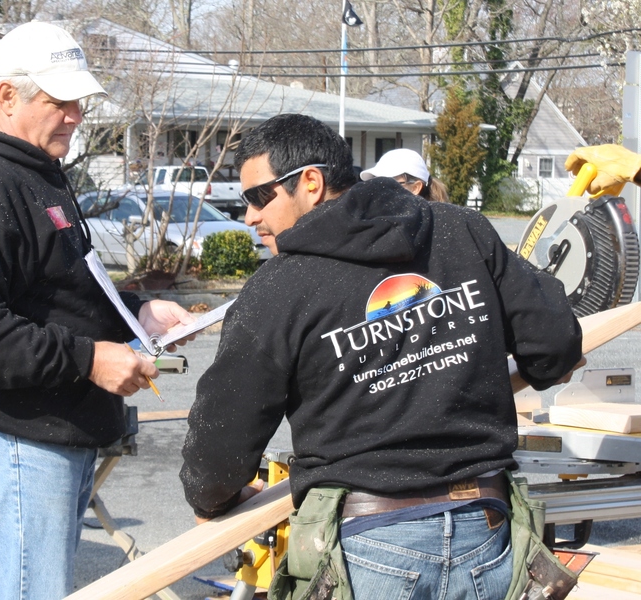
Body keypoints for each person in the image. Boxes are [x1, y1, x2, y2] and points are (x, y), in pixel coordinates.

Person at [179, 114, 583, 599]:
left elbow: (222, 433)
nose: (249, 216)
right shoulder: (461, 231)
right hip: (486, 530)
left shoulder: (279, 288)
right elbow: (554, 345)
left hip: (369, 547)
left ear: (311, 182)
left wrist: (211, 498)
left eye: (259, 196)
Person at [0, 21, 194, 600]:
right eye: (59, 101)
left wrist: (137, 315)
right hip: (18, 433)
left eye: (79, 101)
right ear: (7, 96)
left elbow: (60, 292)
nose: (75, 115)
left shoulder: (31, 174)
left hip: (45, 430)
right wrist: (89, 359)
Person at [360, 147, 449, 202]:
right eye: (376, 183)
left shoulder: (434, 224)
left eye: (389, 184)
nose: (380, 191)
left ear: (415, 188)